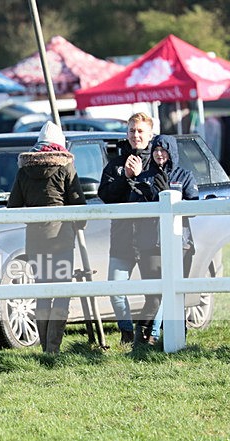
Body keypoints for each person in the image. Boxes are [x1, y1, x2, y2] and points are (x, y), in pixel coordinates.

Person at [7, 121, 86, 353]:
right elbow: (78, 203)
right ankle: (54, 346)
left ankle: (44, 346)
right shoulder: (66, 168)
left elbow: (14, 207)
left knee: (42, 293)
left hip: (35, 241)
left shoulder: (24, 170)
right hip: (61, 240)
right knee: (61, 293)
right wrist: (80, 225)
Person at [129, 134, 198, 345]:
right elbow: (134, 207)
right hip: (150, 244)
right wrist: (150, 194)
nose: (159, 154)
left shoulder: (184, 175)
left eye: (164, 150)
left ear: (172, 152)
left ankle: (177, 338)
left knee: (178, 294)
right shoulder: (145, 176)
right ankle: (141, 340)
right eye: (156, 150)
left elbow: (193, 208)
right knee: (154, 295)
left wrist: (168, 192)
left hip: (181, 244)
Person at [98, 112, 155, 344]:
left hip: (150, 239)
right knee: (115, 289)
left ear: (150, 134)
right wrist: (126, 177)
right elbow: (107, 197)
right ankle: (126, 333)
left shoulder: (157, 161)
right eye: (132, 130)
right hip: (122, 238)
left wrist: (140, 177)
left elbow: (154, 195)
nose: (136, 135)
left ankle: (148, 333)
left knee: (154, 291)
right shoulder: (115, 164)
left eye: (141, 131)